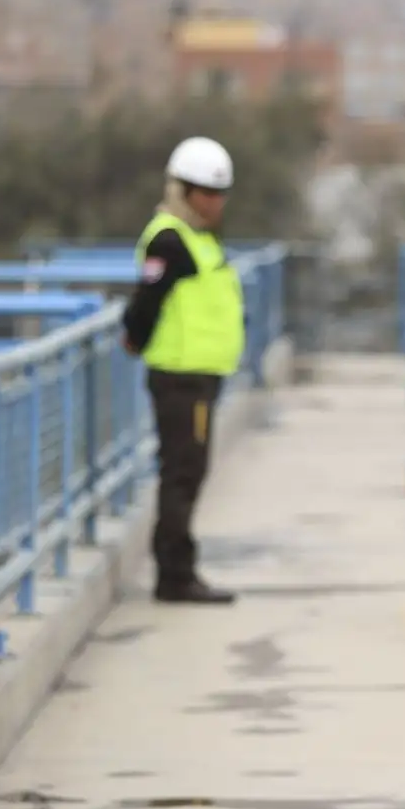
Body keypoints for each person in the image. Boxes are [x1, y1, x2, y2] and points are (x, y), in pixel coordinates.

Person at [121, 136, 246, 605]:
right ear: (183, 191)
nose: (215, 203)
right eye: (207, 194)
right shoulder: (170, 238)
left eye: (220, 195)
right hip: (181, 377)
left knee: (187, 471)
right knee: (182, 473)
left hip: (199, 375)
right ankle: (175, 575)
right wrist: (133, 338)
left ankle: (176, 571)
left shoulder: (194, 236)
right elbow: (145, 302)